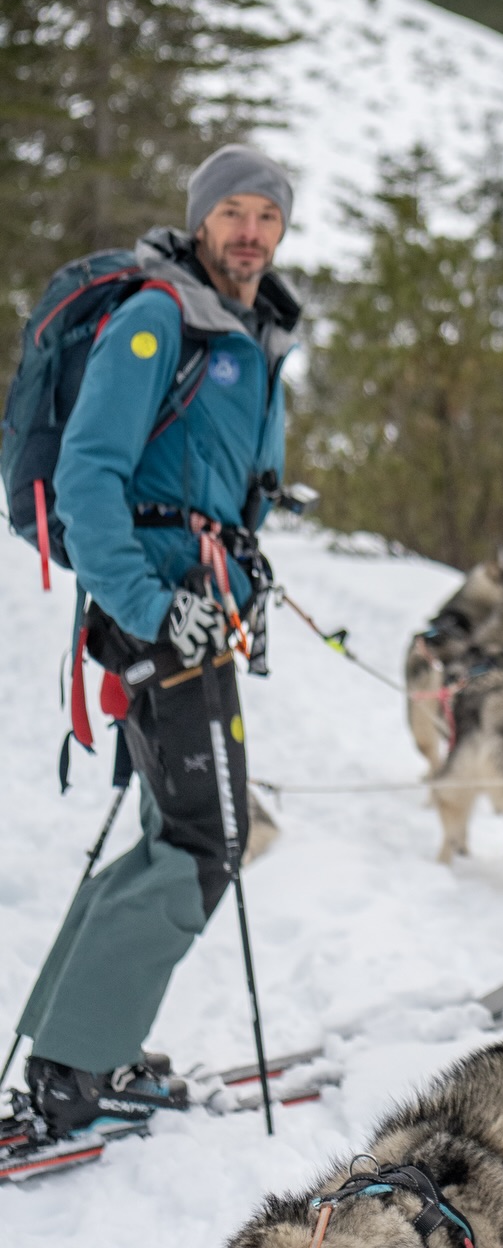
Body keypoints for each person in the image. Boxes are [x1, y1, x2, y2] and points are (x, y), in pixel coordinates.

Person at [17, 145, 301, 1133]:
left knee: (167, 838)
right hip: (158, 618)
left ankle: (85, 1047)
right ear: (201, 218)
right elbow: (93, 475)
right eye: (234, 212)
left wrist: (241, 585)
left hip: (199, 613)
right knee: (206, 840)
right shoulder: (158, 319)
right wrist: (147, 609)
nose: (250, 232)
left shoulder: (252, 335)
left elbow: (222, 500)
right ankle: (70, 1073)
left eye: (268, 216)